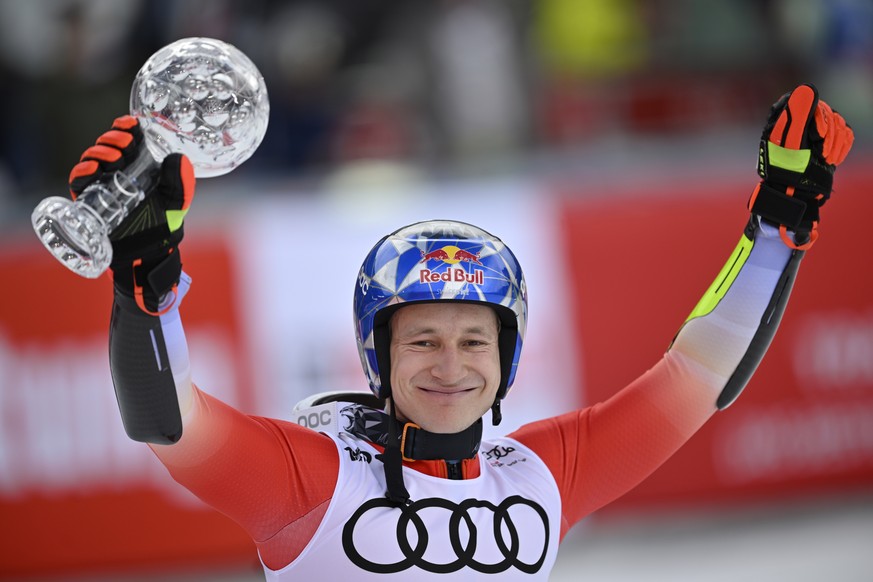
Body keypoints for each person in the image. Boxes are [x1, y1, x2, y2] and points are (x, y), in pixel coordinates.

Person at [69, 83, 852, 580]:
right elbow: (167, 421)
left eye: (475, 340)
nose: (450, 365)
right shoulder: (310, 482)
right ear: (376, 356)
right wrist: (146, 277)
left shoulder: (541, 475)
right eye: (421, 340)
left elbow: (700, 374)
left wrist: (780, 222)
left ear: (508, 359)